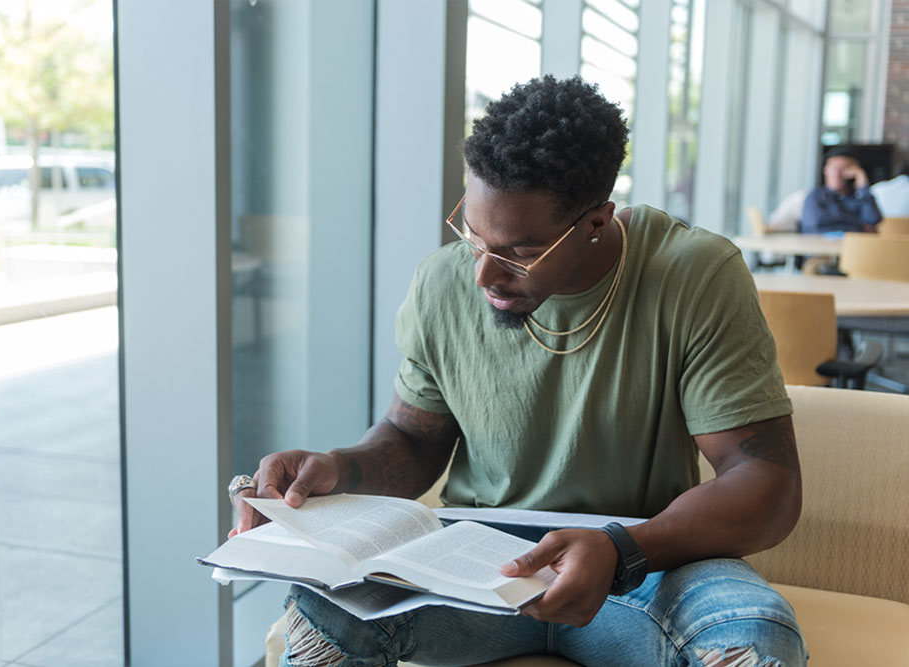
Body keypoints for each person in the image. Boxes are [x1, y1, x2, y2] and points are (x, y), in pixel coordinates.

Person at [232, 76, 806, 666]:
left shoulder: (695, 275)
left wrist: (622, 548)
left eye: (520, 253)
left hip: (643, 559)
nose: (483, 275)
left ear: (597, 222)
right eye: (474, 237)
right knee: (322, 613)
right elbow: (413, 440)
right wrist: (337, 469)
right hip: (474, 564)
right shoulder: (444, 280)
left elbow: (766, 483)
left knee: (755, 637)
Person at [800, 148, 881, 233]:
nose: (837, 174)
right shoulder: (815, 196)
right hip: (819, 245)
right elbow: (815, 222)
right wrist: (859, 223)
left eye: (844, 169)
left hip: (853, 245)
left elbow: (873, 220)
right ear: (825, 170)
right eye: (834, 168)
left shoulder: (859, 197)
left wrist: (863, 185)